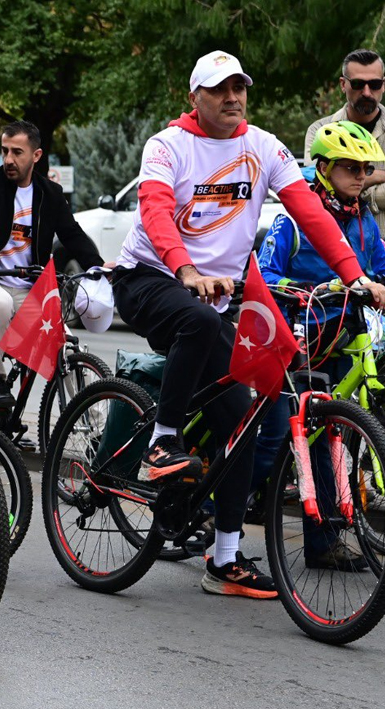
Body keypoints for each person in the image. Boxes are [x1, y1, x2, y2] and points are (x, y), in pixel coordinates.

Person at [112, 51, 385, 600]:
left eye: (239, 87)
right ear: (195, 98)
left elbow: (309, 209)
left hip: (217, 296)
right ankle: (162, 443)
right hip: (149, 277)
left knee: (244, 421)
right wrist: (185, 268)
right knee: (193, 320)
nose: (232, 98)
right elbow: (156, 210)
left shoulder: (262, 145)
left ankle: (226, 559)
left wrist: (354, 276)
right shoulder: (167, 146)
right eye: (218, 90)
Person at [254, 120, 385, 572]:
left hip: (343, 337)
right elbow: (266, 274)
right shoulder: (294, 216)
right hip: (297, 337)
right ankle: (224, 509)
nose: (360, 175)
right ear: (325, 167)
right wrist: (305, 288)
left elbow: (379, 269)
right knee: (286, 431)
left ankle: (326, 541)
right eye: (351, 167)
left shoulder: (364, 218)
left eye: (366, 168)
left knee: (329, 426)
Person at [0, 120, 104, 410]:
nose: (9, 160)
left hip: (27, 291)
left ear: (36, 156)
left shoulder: (49, 194)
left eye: (17, 152)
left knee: (63, 342)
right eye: (5, 151)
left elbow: (72, 235)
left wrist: (98, 268)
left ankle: (89, 422)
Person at [305, 49, 385, 230]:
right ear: (343, 84)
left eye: (374, 84)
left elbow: (334, 187)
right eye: (357, 84)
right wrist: (380, 176)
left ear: (383, 85)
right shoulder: (320, 130)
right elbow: (317, 188)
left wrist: (349, 185)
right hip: (337, 247)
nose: (366, 92)